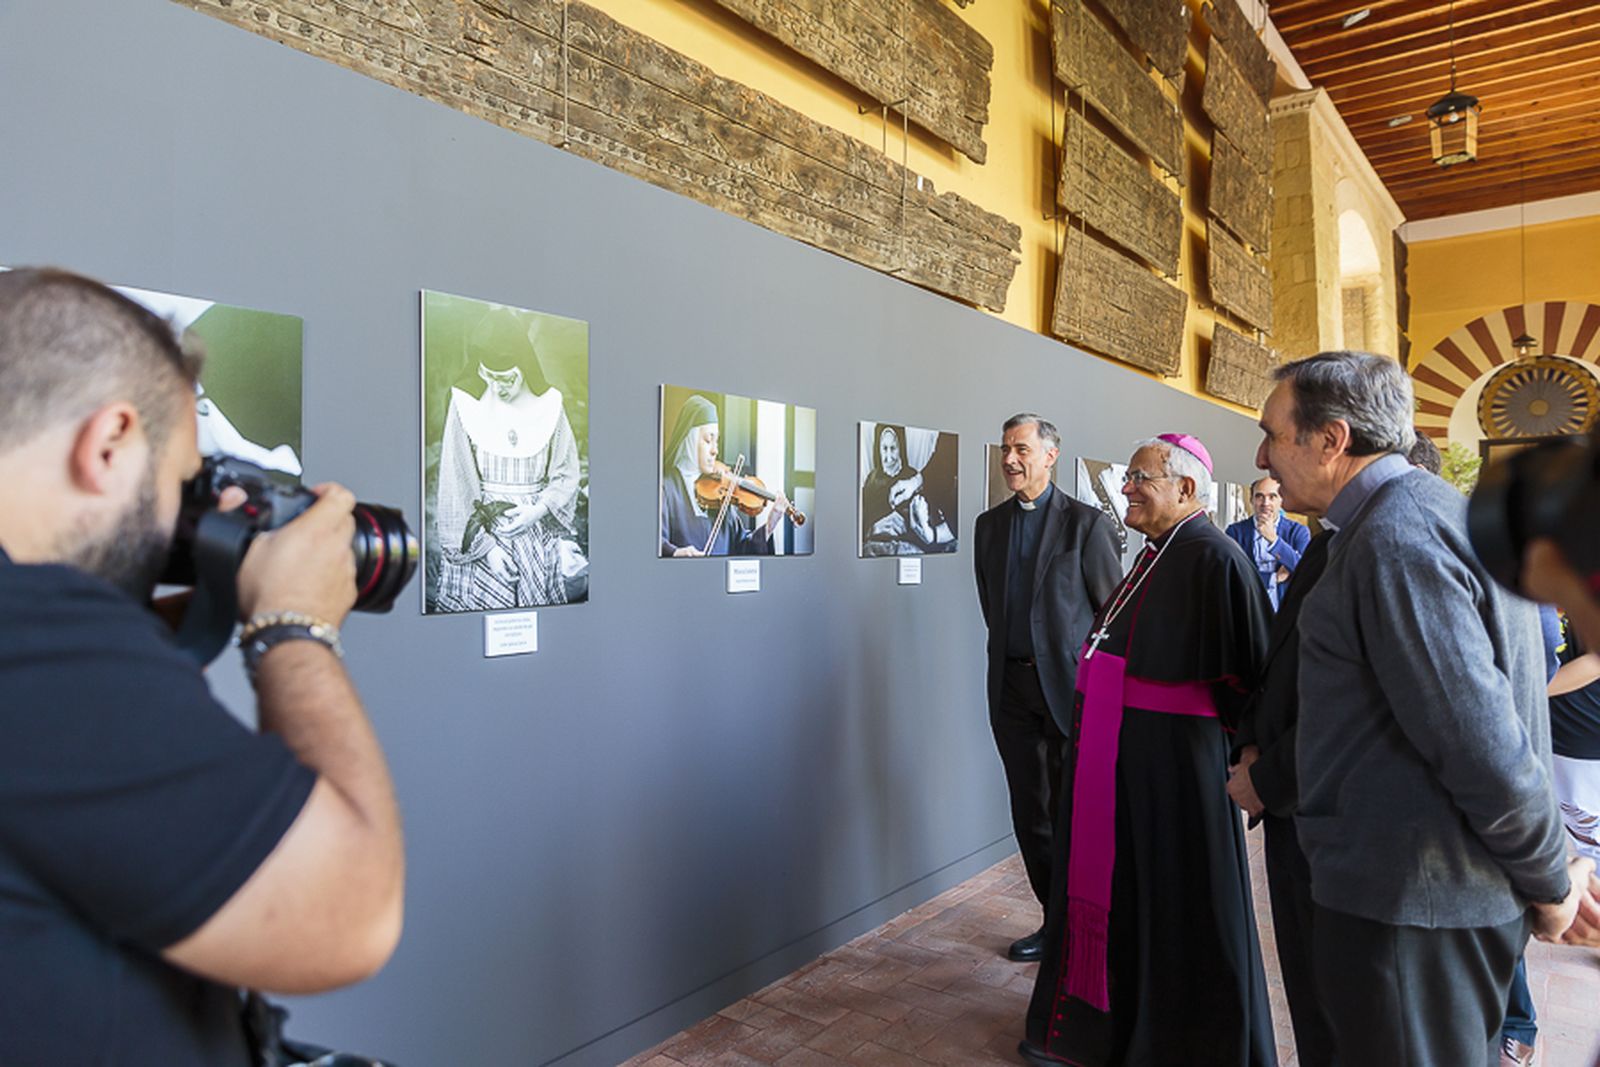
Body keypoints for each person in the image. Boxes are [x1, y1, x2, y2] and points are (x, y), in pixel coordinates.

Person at [0, 269, 404, 1064]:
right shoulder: (33, 635)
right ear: (109, 442)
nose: (172, 519)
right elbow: (351, 913)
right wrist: (294, 624)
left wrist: (191, 609)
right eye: (182, 481)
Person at [1258, 350, 1593, 1065]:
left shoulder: (1396, 536)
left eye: (1273, 432)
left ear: (1331, 438)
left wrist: (1552, 878)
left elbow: (1482, 744)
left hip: (1412, 909)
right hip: (1415, 900)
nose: (1261, 453)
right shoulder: (1424, 515)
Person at [1020, 433, 1276, 1067]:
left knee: (1177, 908)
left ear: (1186, 489)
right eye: (1128, 478)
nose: (1125, 489)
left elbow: (1254, 678)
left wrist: (1248, 760)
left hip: (1177, 776)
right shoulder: (1155, 553)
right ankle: (1115, 1024)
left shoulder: (1215, 559)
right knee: (1126, 898)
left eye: (1140, 478)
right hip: (1122, 764)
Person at [973, 414, 1121, 961]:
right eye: (1006, 449)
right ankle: (1054, 921)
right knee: (1028, 810)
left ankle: (1086, 927)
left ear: (1050, 455)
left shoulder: (1086, 524)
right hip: (1010, 689)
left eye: (1021, 449)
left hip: (1068, 691)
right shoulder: (988, 527)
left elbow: (1110, 615)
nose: (1010, 459)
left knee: (1071, 814)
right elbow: (993, 606)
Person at [1224, 522, 1334, 1065]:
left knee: (1343, 1008)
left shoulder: (1376, 543)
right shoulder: (1327, 543)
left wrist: (1265, 777)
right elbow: (1277, 665)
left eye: (1276, 436)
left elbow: (1353, 705)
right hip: (1293, 807)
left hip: (1332, 815)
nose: (1263, 456)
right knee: (1309, 990)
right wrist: (1249, 746)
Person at [432, 308, 584, 610]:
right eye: (488, 377)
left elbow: (566, 474)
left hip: (534, 537)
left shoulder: (550, 406)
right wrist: (486, 550)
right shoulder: (465, 405)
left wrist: (537, 511)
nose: (497, 387)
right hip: (481, 538)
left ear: (524, 367)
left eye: (506, 378)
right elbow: (455, 483)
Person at [660, 393, 789, 557]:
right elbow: (654, 542)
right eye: (708, 440)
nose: (715, 450)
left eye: (717, 441)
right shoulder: (666, 488)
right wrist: (677, 552)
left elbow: (741, 547)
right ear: (690, 441)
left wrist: (771, 523)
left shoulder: (721, 493)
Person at [861, 422, 956, 555]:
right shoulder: (870, 481)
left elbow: (930, 525)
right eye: (884, 448)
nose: (888, 457)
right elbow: (860, 525)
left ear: (901, 447)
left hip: (909, 548)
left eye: (893, 448)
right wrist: (874, 529)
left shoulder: (913, 478)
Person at [1224, 476, 1309, 610]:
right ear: (1251, 500)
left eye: (1272, 496)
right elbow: (1231, 575)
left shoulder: (1298, 531)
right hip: (1247, 607)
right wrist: (1272, 578)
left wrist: (1274, 540)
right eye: (1259, 496)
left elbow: (1305, 571)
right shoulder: (1235, 532)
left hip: (1287, 610)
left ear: (1281, 500)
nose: (1265, 503)